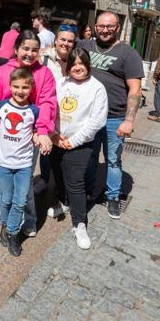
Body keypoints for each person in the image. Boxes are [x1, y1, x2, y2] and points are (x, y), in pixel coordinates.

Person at [0, 30, 57, 236]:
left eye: (34, 50)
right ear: (16, 49)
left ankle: (28, 217)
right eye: (25, 48)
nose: (29, 53)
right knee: (5, 174)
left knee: (24, 179)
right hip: (4, 135)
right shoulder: (2, 71)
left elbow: (47, 102)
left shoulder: (45, 73)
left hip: (29, 137)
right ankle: (0, 205)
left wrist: (42, 131)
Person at [81, 11, 144, 219]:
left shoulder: (128, 53)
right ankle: (88, 191)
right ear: (95, 26)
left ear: (117, 27)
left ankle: (113, 197)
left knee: (113, 160)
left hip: (114, 117)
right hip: (89, 116)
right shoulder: (86, 46)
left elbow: (135, 89)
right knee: (89, 157)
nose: (105, 30)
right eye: (101, 26)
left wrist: (129, 120)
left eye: (109, 26)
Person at [48, 49, 107, 249]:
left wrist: (74, 141)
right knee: (58, 173)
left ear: (89, 65)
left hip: (80, 144)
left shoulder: (97, 88)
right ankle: (63, 202)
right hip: (58, 140)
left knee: (75, 182)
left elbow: (96, 121)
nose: (78, 68)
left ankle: (79, 223)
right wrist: (54, 134)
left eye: (82, 63)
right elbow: (50, 109)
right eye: (74, 64)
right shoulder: (61, 83)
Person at [0, 67, 39, 257]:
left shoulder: (34, 110)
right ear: (10, 86)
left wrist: (39, 137)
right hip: (3, 163)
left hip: (24, 164)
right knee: (6, 199)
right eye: (16, 87)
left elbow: (37, 131)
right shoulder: (2, 106)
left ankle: (12, 233)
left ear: (31, 88)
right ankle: (4, 225)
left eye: (25, 87)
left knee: (20, 201)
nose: (20, 91)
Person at [33, 23, 76, 195]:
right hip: (47, 110)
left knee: (64, 151)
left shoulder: (77, 59)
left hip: (68, 112)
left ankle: (61, 190)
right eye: (62, 39)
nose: (65, 43)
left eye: (70, 41)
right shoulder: (43, 57)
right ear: (56, 40)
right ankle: (44, 179)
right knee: (46, 148)